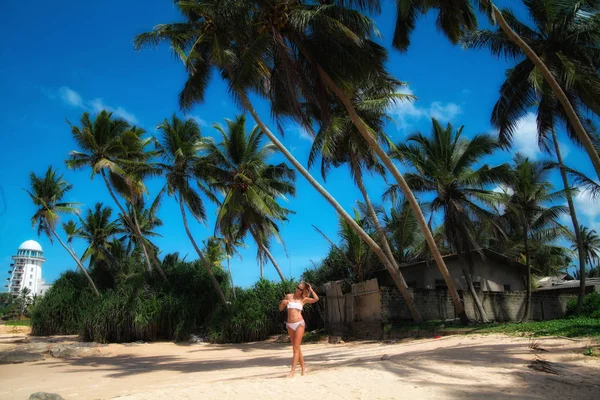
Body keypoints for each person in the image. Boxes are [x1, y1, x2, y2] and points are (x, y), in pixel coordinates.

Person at [278, 281, 319, 377]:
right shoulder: (288, 296)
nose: (298, 290)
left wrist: (311, 290)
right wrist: (283, 304)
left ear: (303, 291)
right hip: (290, 325)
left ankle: (292, 372)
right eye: (297, 287)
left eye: (301, 289)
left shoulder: (303, 299)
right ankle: (303, 368)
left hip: (299, 324)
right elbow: (280, 309)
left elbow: (316, 299)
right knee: (297, 348)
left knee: (295, 348)